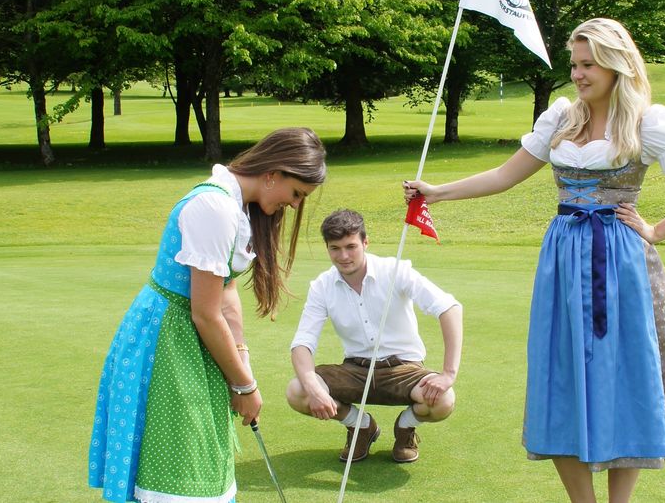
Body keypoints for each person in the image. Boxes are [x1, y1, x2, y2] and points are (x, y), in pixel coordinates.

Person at [404, 18, 665, 502]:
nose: (577, 74)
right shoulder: (560, 118)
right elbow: (504, 175)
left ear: (617, 66)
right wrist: (437, 193)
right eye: (574, 64)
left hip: (620, 266)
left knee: (623, 373)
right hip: (562, 261)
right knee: (560, 374)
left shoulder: (645, 122)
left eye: (588, 64)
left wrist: (656, 231)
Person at [88, 128, 327, 503]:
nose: (295, 205)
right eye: (296, 193)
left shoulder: (237, 206)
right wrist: (246, 388)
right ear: (273, 173)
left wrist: (243, 366)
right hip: (167, 341)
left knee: (200, 459)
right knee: (180, 466)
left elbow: (227, 290)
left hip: (190, 340)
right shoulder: (214, 208)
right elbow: (205, 313)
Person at [285, 209, 463, 463]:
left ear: (365, 242)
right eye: (335, 248)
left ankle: (405, 426)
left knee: (443, 400)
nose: (343, 256)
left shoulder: (395, 270)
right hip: (355, 370)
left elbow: (449, 308)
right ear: (327, 248)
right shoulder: (321, 286)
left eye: (351, 246)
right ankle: (361, 426)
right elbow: (303, 343)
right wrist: (313, 386)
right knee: (298, 390)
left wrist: (448, 374)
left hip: (404, 370)